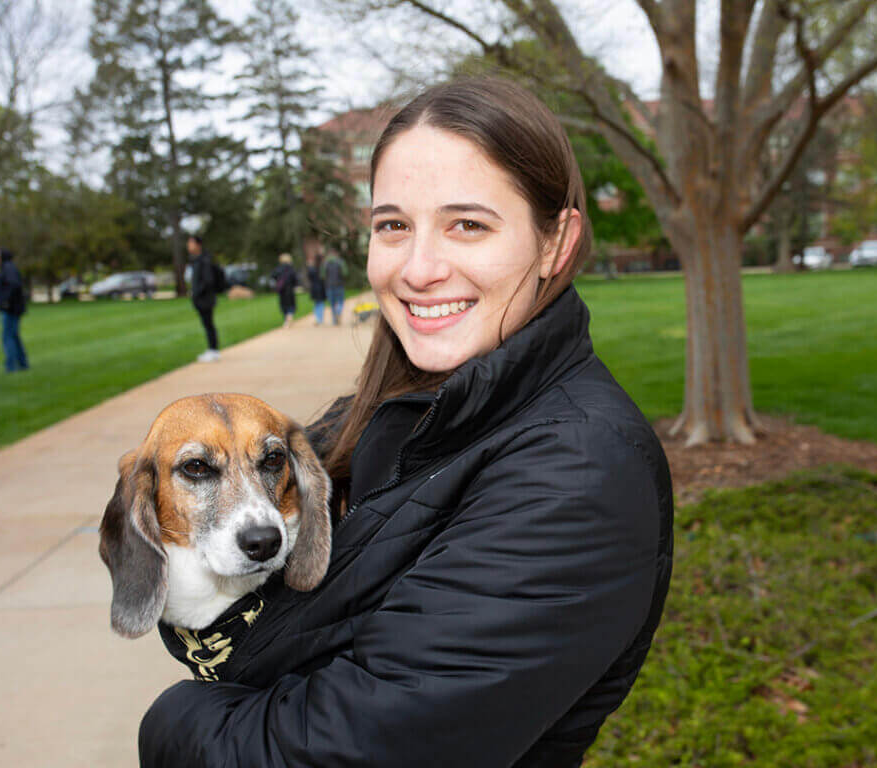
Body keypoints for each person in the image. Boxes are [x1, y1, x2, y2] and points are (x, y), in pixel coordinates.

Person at [139, 77, 673, 768]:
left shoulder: (579, 471)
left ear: (555, 242)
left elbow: (364, 746)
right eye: (393, 225)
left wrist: (177, 723)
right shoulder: (394, 409)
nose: (418, 269)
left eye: (468, 225)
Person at [0, 247, 28, 372]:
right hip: (13, 308)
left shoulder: (8, 268)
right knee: (13, 335)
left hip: (10, 309)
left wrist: (6, 301)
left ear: (1, 256)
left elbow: (14, 284)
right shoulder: (8, 267)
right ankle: (23, 363)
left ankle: (11, 365)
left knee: (7, 336)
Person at [187, 235, 220, 362]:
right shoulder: (198, 260)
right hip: (203, 298)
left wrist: (197, 293)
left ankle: (213, 350)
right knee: (207, 324)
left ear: (198, 245)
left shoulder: (203, 260)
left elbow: (208, 280)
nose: (188, 246)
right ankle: (212, 349)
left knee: (208, 324)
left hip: (205, 299)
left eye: (190, 243)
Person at [272, 252, 298, 329]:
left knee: (284, 305)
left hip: (281, 290)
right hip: (290, 289)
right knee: (291, 305)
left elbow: (273, 275)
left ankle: (286, 320)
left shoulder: (278, 269)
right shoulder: (291, 268)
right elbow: (295, 279)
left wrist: (278, 282)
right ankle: (289, 318)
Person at [322, 250, 347, 325]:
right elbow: (345, 273)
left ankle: (334, 319)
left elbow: (322, 275)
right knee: (340, 301)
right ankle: (339, 312)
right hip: (339, 285)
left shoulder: (325, 263)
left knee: (332, 303)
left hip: (329, 286)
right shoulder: (340, 262)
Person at [306, 252, 327, 325]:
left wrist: (309, 266)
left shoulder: (312, 268)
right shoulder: (323, 268)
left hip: (314, 288)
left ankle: (318, 318)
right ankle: (320, 318)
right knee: (320, 303)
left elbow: (309, 277)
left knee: (317, 303)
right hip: (321, 288)